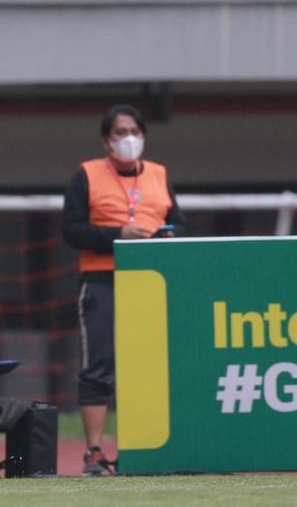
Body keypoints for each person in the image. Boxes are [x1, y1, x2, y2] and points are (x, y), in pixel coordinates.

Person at [62, 104, 186, 476]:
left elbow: (178, 220)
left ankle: (151, 446)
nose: (129, 138)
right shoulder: (86, 174)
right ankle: (95, 452)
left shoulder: (160, 174)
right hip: (102, 279)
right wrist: (118, 235)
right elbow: (71, 229)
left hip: (152, 282)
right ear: (106, 139)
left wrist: (169, 235)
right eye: (120, 132)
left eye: (134, 130)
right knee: (98, 366)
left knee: (152, 366)